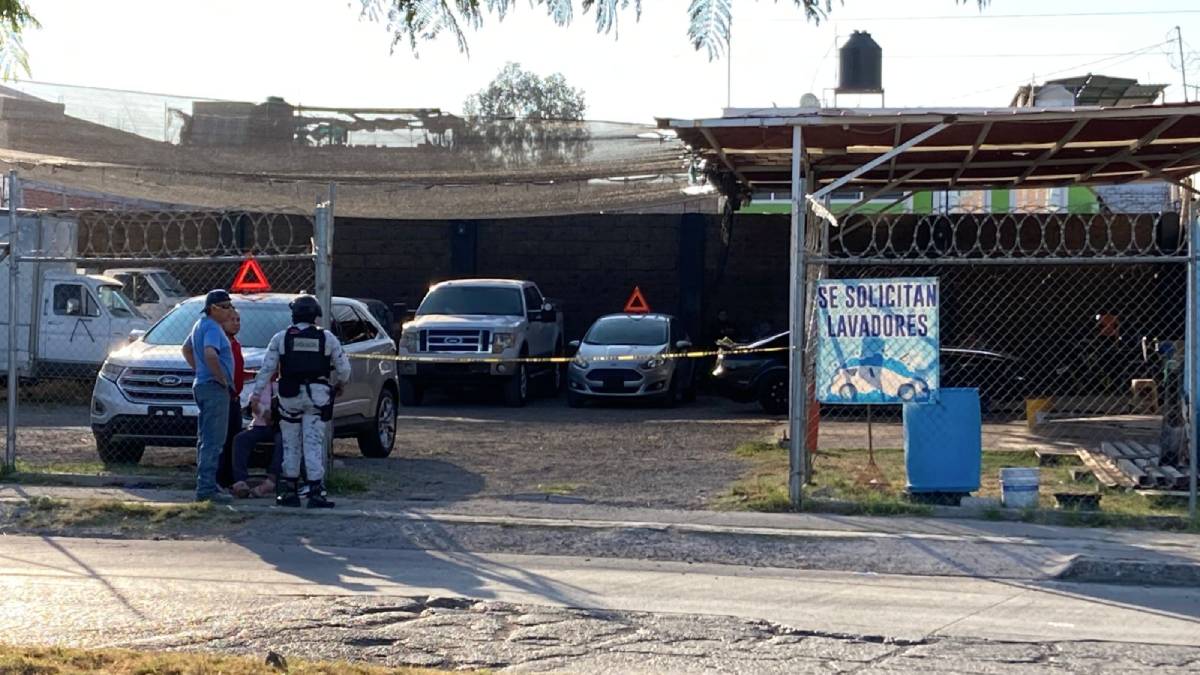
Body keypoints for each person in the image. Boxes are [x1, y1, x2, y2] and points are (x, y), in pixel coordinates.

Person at [250, 295, 350, 509]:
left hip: (289, 396)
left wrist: (256, 394)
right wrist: (340, 384)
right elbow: (344, 369)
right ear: (316, 316)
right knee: (312, 443)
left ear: (293, 314)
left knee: (290, 443)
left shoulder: (281, 338)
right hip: (318, 397)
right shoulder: (327, 338)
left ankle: (290, 491)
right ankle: (316, 492)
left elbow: (267, 369)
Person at [184, 289, 237, 503]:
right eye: (225, 307)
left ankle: (206, 483)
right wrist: (221, 379)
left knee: (205, 439)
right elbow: (210, 353)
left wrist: (200, 371)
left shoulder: (200, 325)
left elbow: (186, 349)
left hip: (202, 385)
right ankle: (206, 489)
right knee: (214, 440)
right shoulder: (213, 328)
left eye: (230, 305)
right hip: (214, 388)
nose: (229, 310)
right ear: (213, 309)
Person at [229, 374, 284, 499]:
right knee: (240, 439)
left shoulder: (285, 384)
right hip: (260, 425)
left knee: (282, 441)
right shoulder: (261, 386)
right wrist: (263, 412)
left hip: (281, 426)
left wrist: (276, 416)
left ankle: (271, 480)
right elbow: (254, 403)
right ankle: (240, 481)